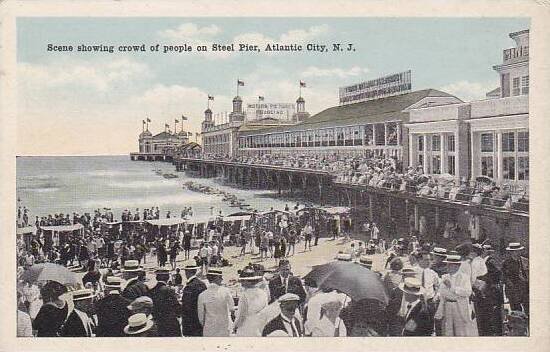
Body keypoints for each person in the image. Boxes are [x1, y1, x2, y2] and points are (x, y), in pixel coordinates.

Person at [435, 254, 478, 336]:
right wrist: (439, 295)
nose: (447, 267)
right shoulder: (445, 277)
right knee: (448, 330)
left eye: (450, 265)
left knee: (460, 331)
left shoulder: (464, 277)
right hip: (447, 306)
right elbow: (442, 291)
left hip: (459, 306)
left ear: (457, 266)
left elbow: (468, 292)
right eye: (447, 264)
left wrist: (452, 288)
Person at [197, 269, 235, 337]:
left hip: (209, 329)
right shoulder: (226, 291)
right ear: (216, 278)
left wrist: (207, 325)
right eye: (220, 277)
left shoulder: (202, 295)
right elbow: (232, 308)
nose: (222, 279)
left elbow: (201, 317)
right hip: (224, 328)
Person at [476, 244, 504, 336]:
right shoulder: (484, 261)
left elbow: (497, 274)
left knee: (493, 313)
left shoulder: (490, 261)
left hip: (491, 290)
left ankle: (494, 332)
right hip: (487, 290)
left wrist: (486, 281)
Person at [234, 267, 269, 333]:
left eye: (243, 280)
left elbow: (241, 315)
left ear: (248, 282)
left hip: (247, 327)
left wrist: (235, 326)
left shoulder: (244, 295)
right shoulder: (263, 293)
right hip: (260, 326)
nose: (241, 283)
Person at [148, 269, 182, 336]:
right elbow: (177, 308)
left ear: (156, 278)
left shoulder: (151, 291)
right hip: (170, 324)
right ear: (168, 277)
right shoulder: (169, 290)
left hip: (157, 324)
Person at [502, 242, 529, 316]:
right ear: (511, 252)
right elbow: (504, 277)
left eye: (519, 251)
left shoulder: (525, 261)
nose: (517, 253)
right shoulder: (506, 263)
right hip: (513, 291)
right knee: (516, 312)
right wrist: (510, 285)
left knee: (528, 311)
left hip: (525, 290)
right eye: (515, 251)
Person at [181, 264, 208, 336]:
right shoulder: (202, 284)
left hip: (190, 322)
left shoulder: (189, 286)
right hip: (201, 319)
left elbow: (186, 306)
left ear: (187, 272)